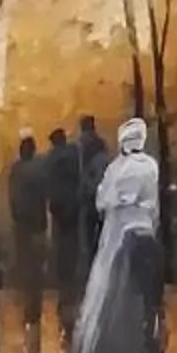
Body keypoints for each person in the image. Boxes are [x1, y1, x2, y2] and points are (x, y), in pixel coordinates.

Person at [71, 117, 166, 353]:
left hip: (119, 238)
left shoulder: (115, 169)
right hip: (145, 234)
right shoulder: (151, 166)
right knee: (147, 300)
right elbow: (154, 205)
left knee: (115, 299)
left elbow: (101, 202)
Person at [44, 126, 90, 304]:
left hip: (58, 207)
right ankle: (73, 275)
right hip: (73, 204)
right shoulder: (73, 152)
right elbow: (79, 175)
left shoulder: (51, 158)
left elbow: (48, 182)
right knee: (73, 241)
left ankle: (63, 278)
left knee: (61, 242)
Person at [6, 134, 50, 318]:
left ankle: (29, 295)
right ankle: (35, 292)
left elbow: (13, 196)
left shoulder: (16, 169)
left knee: (25, 258)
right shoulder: (40, 169)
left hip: (23, 221)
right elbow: (45, 192)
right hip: (38, 221)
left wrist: (15, 213)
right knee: (37, 259)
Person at [74, 116, 110, 272]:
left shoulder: (80, 147)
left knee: (88, 240)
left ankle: (91, 270)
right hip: (101, 197)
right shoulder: (101, 148)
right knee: (101, 237)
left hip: (89, 199)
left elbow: (81, 174)